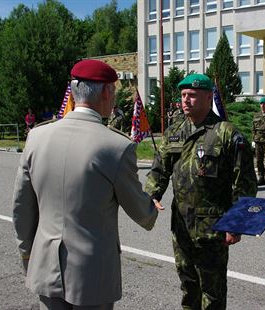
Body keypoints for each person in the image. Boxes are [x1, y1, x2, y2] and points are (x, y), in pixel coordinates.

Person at [12, 59, 159, 310]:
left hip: (45, 264)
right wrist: (151, 207)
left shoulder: (37, 136)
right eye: (113, 91)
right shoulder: (117, 146)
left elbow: (21, 205)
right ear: (105, 92)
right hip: (93, 273)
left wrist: (27, 252)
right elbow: (141, 212)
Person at [145, 74, 257, 310]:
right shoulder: (175, 132)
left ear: (208, 97)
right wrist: (151, 195)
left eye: (192, 95)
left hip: (213, 227)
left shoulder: (227, 134)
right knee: (188, 285)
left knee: (212, 291)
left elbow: (245, 182)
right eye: (184, 95)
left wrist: (238, 224)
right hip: (181, 224)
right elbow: (159, 169)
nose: (186, 100)